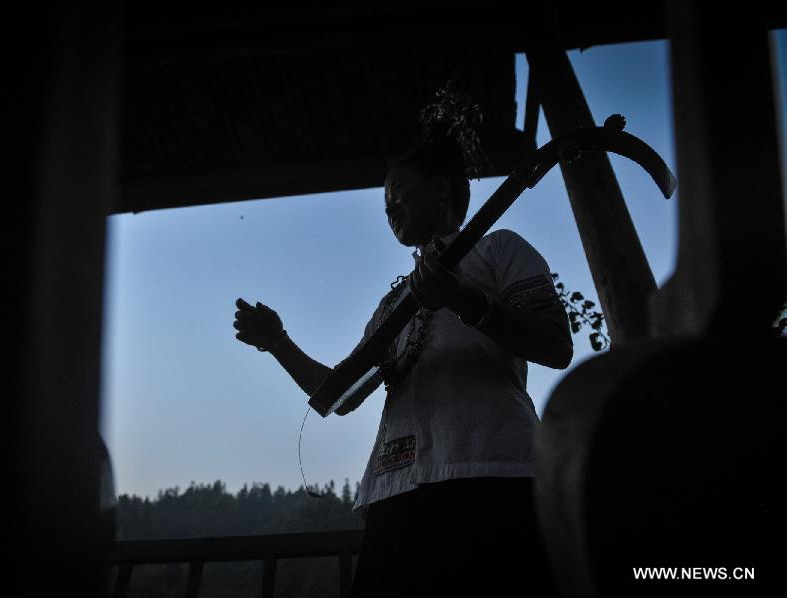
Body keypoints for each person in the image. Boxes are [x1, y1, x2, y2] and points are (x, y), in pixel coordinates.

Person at [233, 130, 572, 596]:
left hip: (494, 474)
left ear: (440, 189)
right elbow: (342, 396)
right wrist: (278, 343)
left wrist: (463, 300)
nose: (389, 207)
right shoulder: (394, 304)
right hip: (395, 492)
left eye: (398, 192)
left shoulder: (500, 249)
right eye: (385, 200)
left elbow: (556, 345)